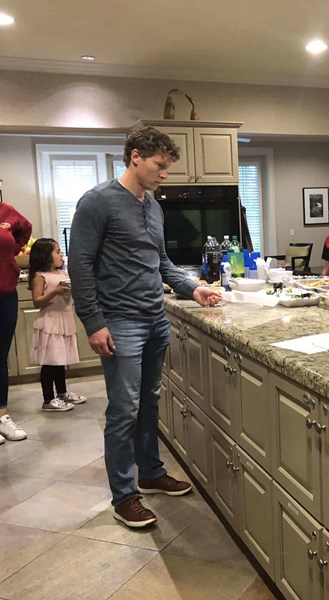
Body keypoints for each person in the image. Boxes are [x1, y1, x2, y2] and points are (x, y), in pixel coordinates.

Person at [69, 126, 222, 529]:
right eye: (159, 165)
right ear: (135, 156)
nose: (164, 174)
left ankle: (150, 472)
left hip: (155, 318)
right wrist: (94, 322)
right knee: (124, 410)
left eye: (168, 167)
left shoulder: (153, 206)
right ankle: (124, 496)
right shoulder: (97, 202)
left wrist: (193, 289)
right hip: (120, 321)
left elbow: (161, 262)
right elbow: (79, 265)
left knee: (150, 401)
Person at [28, 238, 87, 412]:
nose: (61, 255)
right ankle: (48, 400)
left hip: (64, 320)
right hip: (50, 322)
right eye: (58, 252)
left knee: (60, 360)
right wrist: (55, 291)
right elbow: (37, 302)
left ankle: (62, 393)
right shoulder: (40, 276)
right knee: (49, 363)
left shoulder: (63, 273)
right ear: (46, 255)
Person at [0, 202, 31, 444]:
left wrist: (12, 253)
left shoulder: (5, 211)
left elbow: (25, 229)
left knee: (1, 356)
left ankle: (2, 415)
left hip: (6, 294)